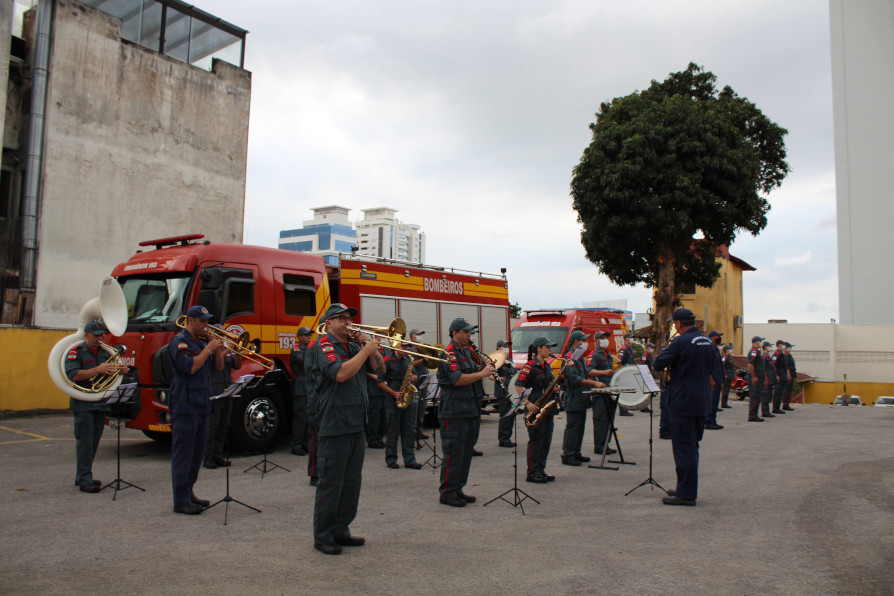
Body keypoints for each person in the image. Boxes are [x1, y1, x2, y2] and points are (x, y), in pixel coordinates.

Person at [305, 303, 385, 555]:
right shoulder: (323, 345)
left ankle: (341, 529)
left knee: (351, 483)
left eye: (349, 318)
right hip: (334, 422)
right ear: (328, 323)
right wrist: (364, 351)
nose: (347, 322)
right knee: (331, 483)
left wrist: (368, 348)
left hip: (355, 423)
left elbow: (381, 371)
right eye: (341, 319)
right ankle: (323, 535)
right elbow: (340, 373)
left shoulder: (352, 346)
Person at [652, 308, 722, 506]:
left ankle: (686, 494)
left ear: (679, 324)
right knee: (692, 445)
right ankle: (684, 487)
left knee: (684, 448)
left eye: (674, 323)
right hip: (702, 400)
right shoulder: (708, 342)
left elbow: (658, 364)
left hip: (683, 400)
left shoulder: (680, 342)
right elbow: (714, 370)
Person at [167, 305, 224, 515]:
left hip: (201, 403)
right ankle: (180, 500)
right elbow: (190, 366)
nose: (206, 325)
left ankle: (189, 492)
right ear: (190, 321)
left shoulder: (201, 342)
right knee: (183, 453)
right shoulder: (180, 342)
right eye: (202, 321)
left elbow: (218, 368)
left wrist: (216, 348)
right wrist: (208, 349)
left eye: (207, 321)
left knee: (196, 453)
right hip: (185, 403)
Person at [64, 320, 128, 493]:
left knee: (93, 442)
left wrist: (121, 370)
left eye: (102, 335)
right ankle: (85, 478)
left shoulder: (105, 352)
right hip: (83, 403)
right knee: (85, 442)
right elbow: (73, 375)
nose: (100, 338)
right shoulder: (76, 352)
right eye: (96, 335)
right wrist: (97, 370)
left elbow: (112, 374)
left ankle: (83, 476)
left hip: (100, 403)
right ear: (86, 335)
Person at [437, 318, 495, 507]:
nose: (470, 335)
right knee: (453, 453)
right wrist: (482, 373)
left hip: (470, 408)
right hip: (454, 411)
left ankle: (458, 488)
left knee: (465, 453)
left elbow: (471, 374)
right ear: (455, 333)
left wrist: (482, 367)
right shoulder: (449, 353)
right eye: (466, 331)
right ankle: (447, 492)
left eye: (470, 331)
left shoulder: (467, 352)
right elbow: (456, 379)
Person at [515, 337, 559, 483]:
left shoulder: (546, 366)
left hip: (547, 407)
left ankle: (541, 470)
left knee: (546, 440)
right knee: (536, 441)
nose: (550, 350)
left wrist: (555, 388)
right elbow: (518, 384)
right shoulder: (530, 365)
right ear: (539, 348)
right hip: (535, 407)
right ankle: (533, 473)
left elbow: (548, 384)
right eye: (548, 347)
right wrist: (526, 403)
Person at [561, 330, 606, 466]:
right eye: (583, 340)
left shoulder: (579, 357)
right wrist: (594, 383)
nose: (585, 343)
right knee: (573, 427)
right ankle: (568, 455)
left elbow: (585, 374)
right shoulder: (570, 357)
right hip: (574, 398)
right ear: (576, 342)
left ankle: (576, 452)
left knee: (580, 427)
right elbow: (575, 378)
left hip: (582, 398)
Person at [378, 345, 423, 470]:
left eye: (405, 346)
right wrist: (393, 393)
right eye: (402, 346)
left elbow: (414, 375)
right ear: (395, 346)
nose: (405, 348)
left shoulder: (408, 360)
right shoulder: (387, 360)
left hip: (407, 398)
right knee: (393, 430)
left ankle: (410, 460)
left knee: (409, 429)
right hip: (393, 398)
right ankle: (391, 459)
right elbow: (380, 381)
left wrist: (414, 377)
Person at [203, 325, 242, 469]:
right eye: (220, 334)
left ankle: (218, 455)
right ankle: (208, 457)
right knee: (213, 425)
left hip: (227, 387)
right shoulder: (211, 347)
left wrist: (238, 352)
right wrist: (227, 349)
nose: (223, 337)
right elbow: (215, 363)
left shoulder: (226, 350)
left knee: (223, 424)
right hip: (215, 389)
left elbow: (237, 366)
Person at [588, 331, 618, 453]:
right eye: (602, 338)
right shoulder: (594, 355)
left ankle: (606, 444)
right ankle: (599, 446)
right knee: (601, 420)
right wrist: (604, 373)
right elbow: (589, 371)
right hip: (600, 392)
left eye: (606, 338)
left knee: (609, 419)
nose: (605, 340)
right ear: (596, 341)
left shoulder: (608, 354)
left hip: (609, 390)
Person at [289, 327, 313, 456]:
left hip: (309, 385)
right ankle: (296, 444)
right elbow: (303, 360)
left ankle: (306, 443)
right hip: (300, 385)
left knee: (309, 417)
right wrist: (311, 349)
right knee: (300, 417)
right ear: (300, 337)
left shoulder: (309, 348)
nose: (309, 337)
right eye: (306, 335)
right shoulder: (296, 349)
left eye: (309, 335)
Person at [407, 328, 431, 441]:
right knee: (415, 407)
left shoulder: (423, 348)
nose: (420, 336)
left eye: (421, 334)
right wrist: (423, 360)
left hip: (424, 379)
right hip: (415, 381)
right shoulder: (409, 348)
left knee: (422, 406)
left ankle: (419, 430)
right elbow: (410, 364)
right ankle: (413, 432)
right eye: (418, 334)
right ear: (412, 336)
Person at [494, 340, 517, 448]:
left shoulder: (509, 360)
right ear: (498, 348)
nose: (506, 348)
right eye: (504, 346)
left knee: (511, 414)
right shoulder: (496, 359)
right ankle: (503, 439)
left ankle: (507, 437)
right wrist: (498, 378)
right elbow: (491, 374)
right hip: (502, 392)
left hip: (511, 392)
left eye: (507, 346)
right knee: (505, 415)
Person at [364, 345, 387, 449]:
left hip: (382, 389)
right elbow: (365, 370)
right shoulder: (367, 352)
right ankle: (372, 439)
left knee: (382, 417)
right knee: (374, 416)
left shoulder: (385, 351)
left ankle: (379, 437)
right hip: (373, 389)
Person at [704, 331, 725, 430]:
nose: (719, 338)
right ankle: (709, 421)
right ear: (712, 337)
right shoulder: (710, 347)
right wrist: (711, 379)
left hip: (717, 378)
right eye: (717, 336)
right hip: (713, 380)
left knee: (715, 401)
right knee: (712, 401)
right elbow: (708, 365)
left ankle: (712, 420)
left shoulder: (714, 348)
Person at [746, 336, 766, 422]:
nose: (761, 342)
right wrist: (754, 377)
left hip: (759, 377)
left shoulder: (757, 351)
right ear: (755, 342)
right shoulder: (753, 351)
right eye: (760, 341)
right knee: (754, 396)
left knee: (757, 396)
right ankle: (752, 416)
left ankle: (755, 415)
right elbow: (750, 365)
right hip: (755, 378)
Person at [617, 333, 635, 416]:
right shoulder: (624, 348)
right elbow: (619, 361)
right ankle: (623, 410)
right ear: (626, 339)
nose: (632, 338)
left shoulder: (630, 348)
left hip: (630, 372)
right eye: (630, 337)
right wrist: (623, 371)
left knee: (627, 391)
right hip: (625, 372)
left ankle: (626, 409)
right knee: (623, 392)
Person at [772, 340, 790, 415]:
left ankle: (777, 408)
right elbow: (773, 365)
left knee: (780, 393)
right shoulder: (776, 354)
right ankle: (775, 408)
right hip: (779, 376)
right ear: (779, 345)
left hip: (783, 376)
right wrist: (776, 375)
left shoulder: (781, 354)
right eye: (783, 345)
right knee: (777, 393)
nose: (784, 346)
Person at [761, 341, 777, 419]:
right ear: (766, 347)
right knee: (765, 396)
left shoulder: (768, 356)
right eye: (769, 346)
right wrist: (765, 379)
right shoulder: (764, 356)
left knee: (769, 396)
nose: (770, 347)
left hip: (771, 378)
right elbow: (763, 368)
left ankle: (767, 411)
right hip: (767, 379)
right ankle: (765, 411)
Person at [720, 344, 735, 409]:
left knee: (727, 389)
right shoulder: (724, 357)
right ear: (726, 350)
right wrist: (725, 374)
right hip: (727, 375)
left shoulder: (729, 357)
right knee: (725, 390)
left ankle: (725, 403)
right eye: (729, 349)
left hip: (730, 374)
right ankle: (723, 403)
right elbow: (723, 366)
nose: (731, 350)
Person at [783, 342, 797, 410]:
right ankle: (785, 405)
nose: (790, 348)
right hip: (789, 375)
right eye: (789, 347)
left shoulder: (788, 355)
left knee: (789, 390)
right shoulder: (786, 355)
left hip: (791, 374)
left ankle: (787, 404)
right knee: (787, 390)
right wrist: (788, 374)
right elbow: (786, 366)